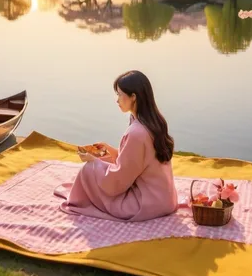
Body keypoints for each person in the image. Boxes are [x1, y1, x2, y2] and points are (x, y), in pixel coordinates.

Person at [54, 70, 178, 221]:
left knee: (88, 170)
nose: (117, 100)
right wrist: (112, 152)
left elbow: (118, 180)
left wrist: (94, 162)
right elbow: (139, 160)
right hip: (165, 199)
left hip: (145, 204)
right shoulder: (155, 120)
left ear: (133, 97)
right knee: (100, 164)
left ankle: (78, 201)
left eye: (120, 94)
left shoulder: (136, 132)